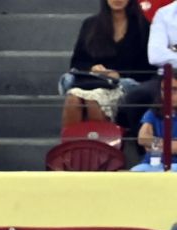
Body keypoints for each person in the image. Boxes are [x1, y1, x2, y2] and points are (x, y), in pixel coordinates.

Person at [61, 0, 153, 129]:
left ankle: (101, 148)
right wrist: (92, 68)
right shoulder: (90, 25)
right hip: (93, 81)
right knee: (73, 99)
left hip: (124, 86)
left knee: (93, 101)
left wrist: (118, 75)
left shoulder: (143, 27)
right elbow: (77, 62)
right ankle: (71, 148)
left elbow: (148, 69)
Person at [118, 0, 176, 135]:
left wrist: (172, 51)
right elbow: (155, 56)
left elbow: (163, 55)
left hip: (169, 70)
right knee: (135, 98)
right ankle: (145, 151)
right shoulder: (164, 14)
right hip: (166, 77)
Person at [131, 79, 176, 169]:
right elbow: (142, 139)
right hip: (152, 163)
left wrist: (153, 145)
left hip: (175, 164)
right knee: (135, 172)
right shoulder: (154, 111)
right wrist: (168, 145)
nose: (168, 94)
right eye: (164, 90)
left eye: (174, 89)